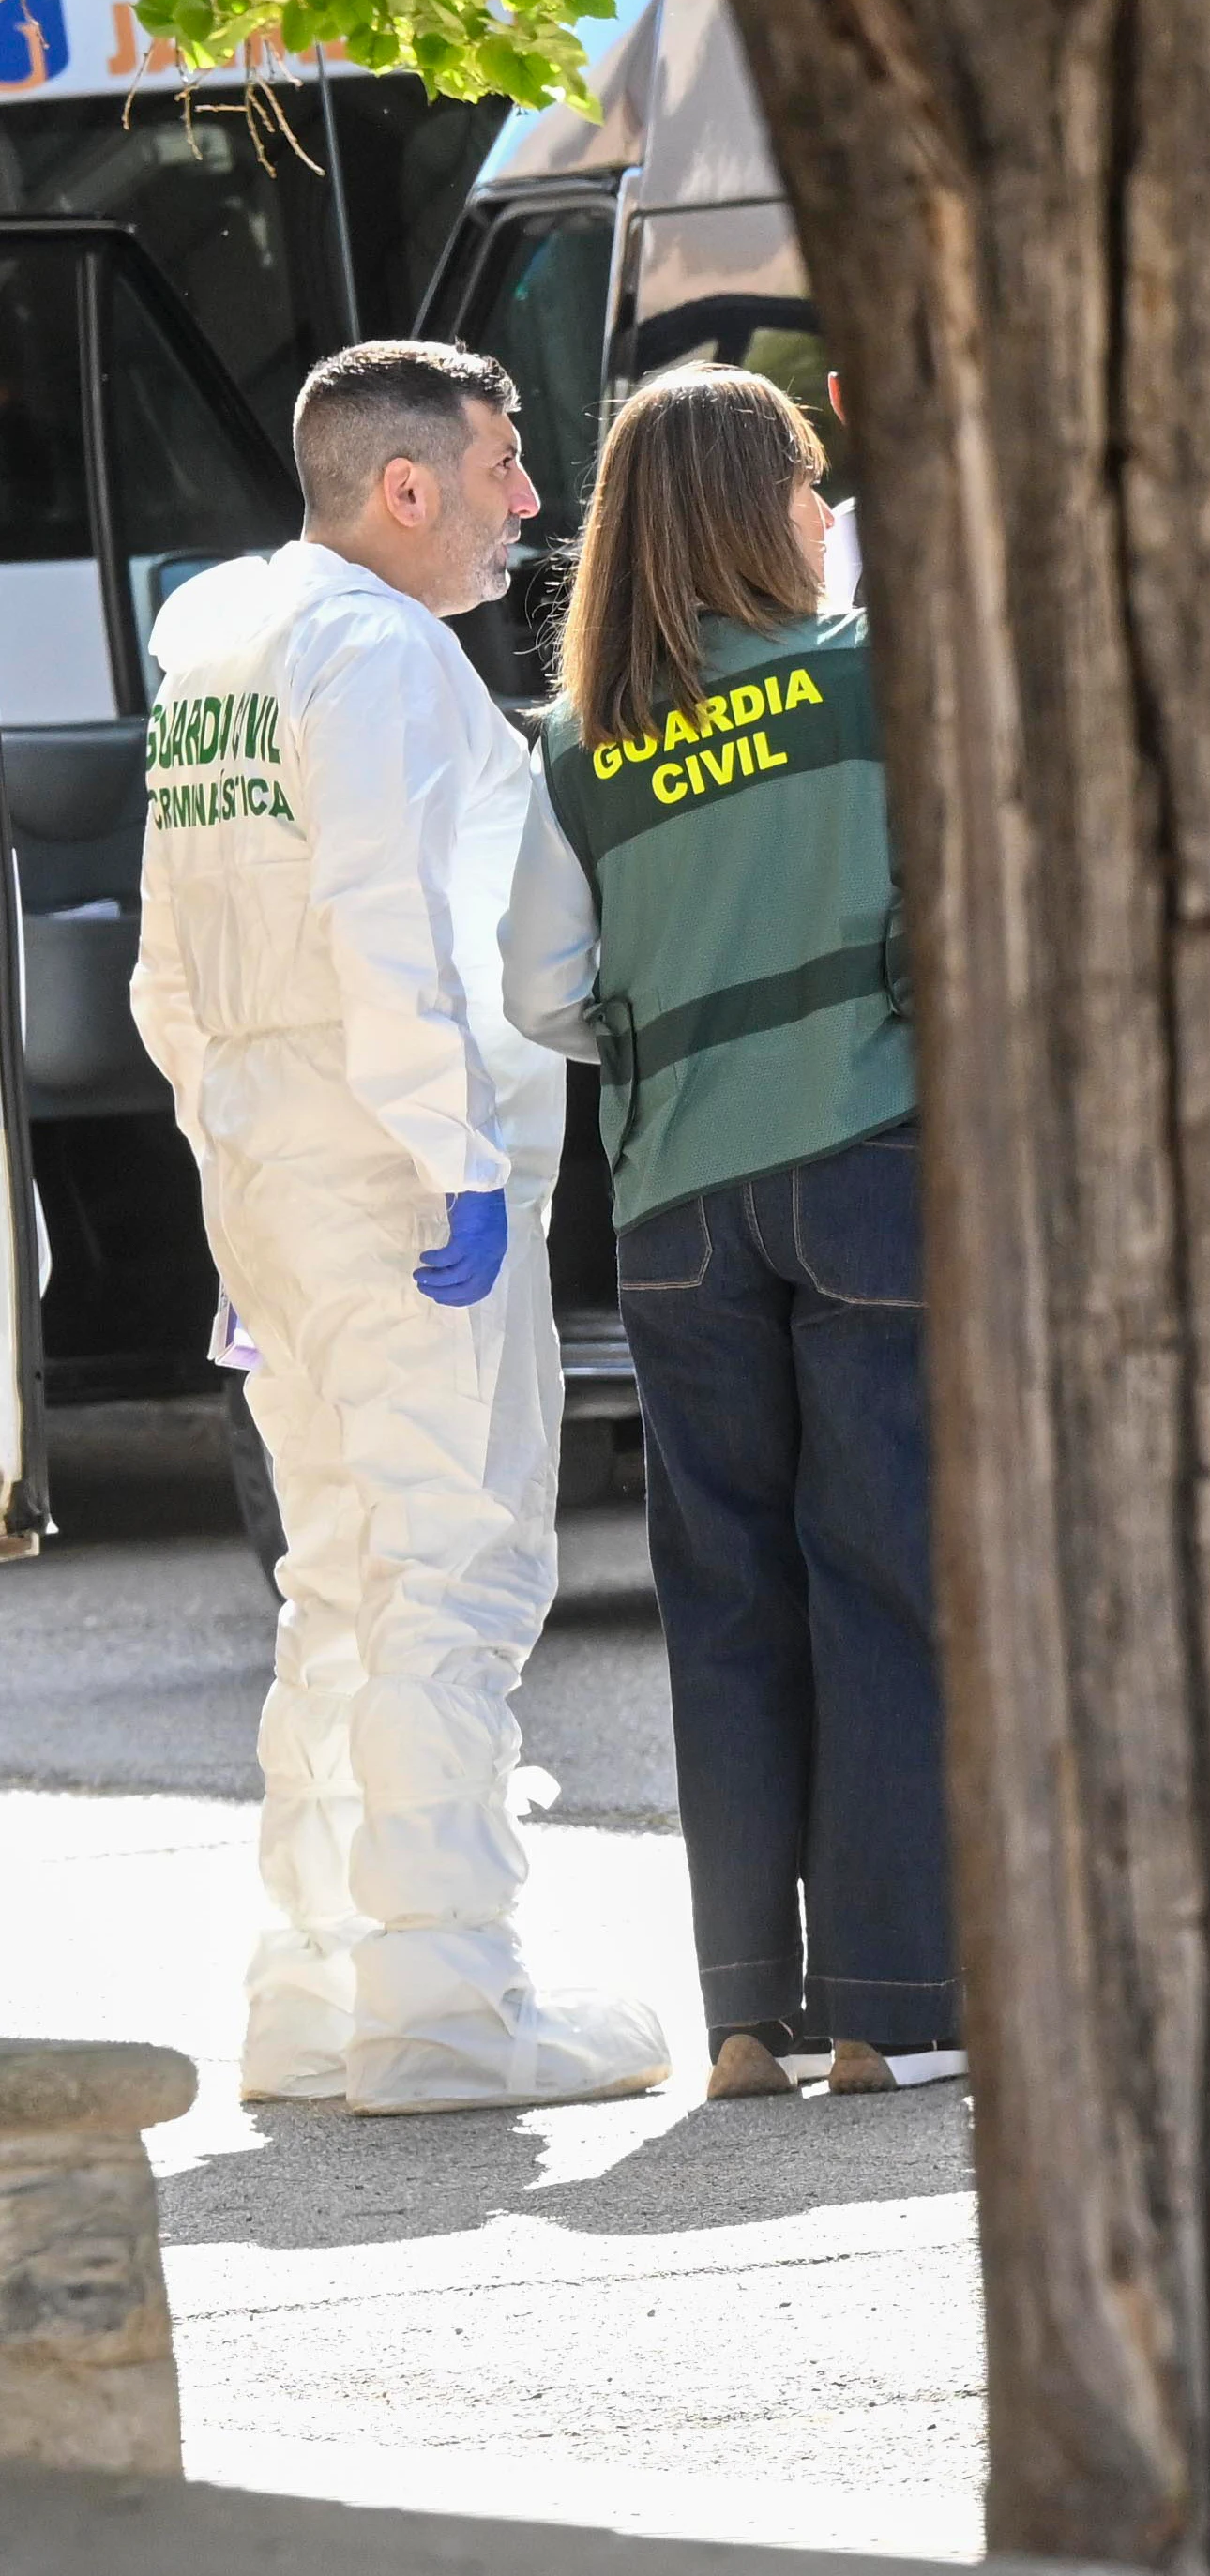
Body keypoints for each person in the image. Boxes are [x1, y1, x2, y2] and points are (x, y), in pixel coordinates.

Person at [137, 341, 669, 2113]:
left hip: (274, 1160)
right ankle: (444, 2009)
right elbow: (392, 923)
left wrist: (238, 1152)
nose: (534, 503)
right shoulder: (373, 655)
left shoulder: (218, 630)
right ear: (409, 486)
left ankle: (316, 1989)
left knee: (343, 1568)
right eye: (509, 468)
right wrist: (448, 1162)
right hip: (392, 1165)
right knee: (454, 1564)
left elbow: (165, 962)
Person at [504, 367, 949, 2101]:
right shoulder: (867, 681)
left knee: (732, 1599)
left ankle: (748, 2015)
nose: (828, 510)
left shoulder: (582, 740)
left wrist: (681, 1025)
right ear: (763, 509)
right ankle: (892, 2010)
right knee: (888, 1582)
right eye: (811, 483)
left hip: (677, 1201)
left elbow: (536, 987)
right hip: (867, 1167)